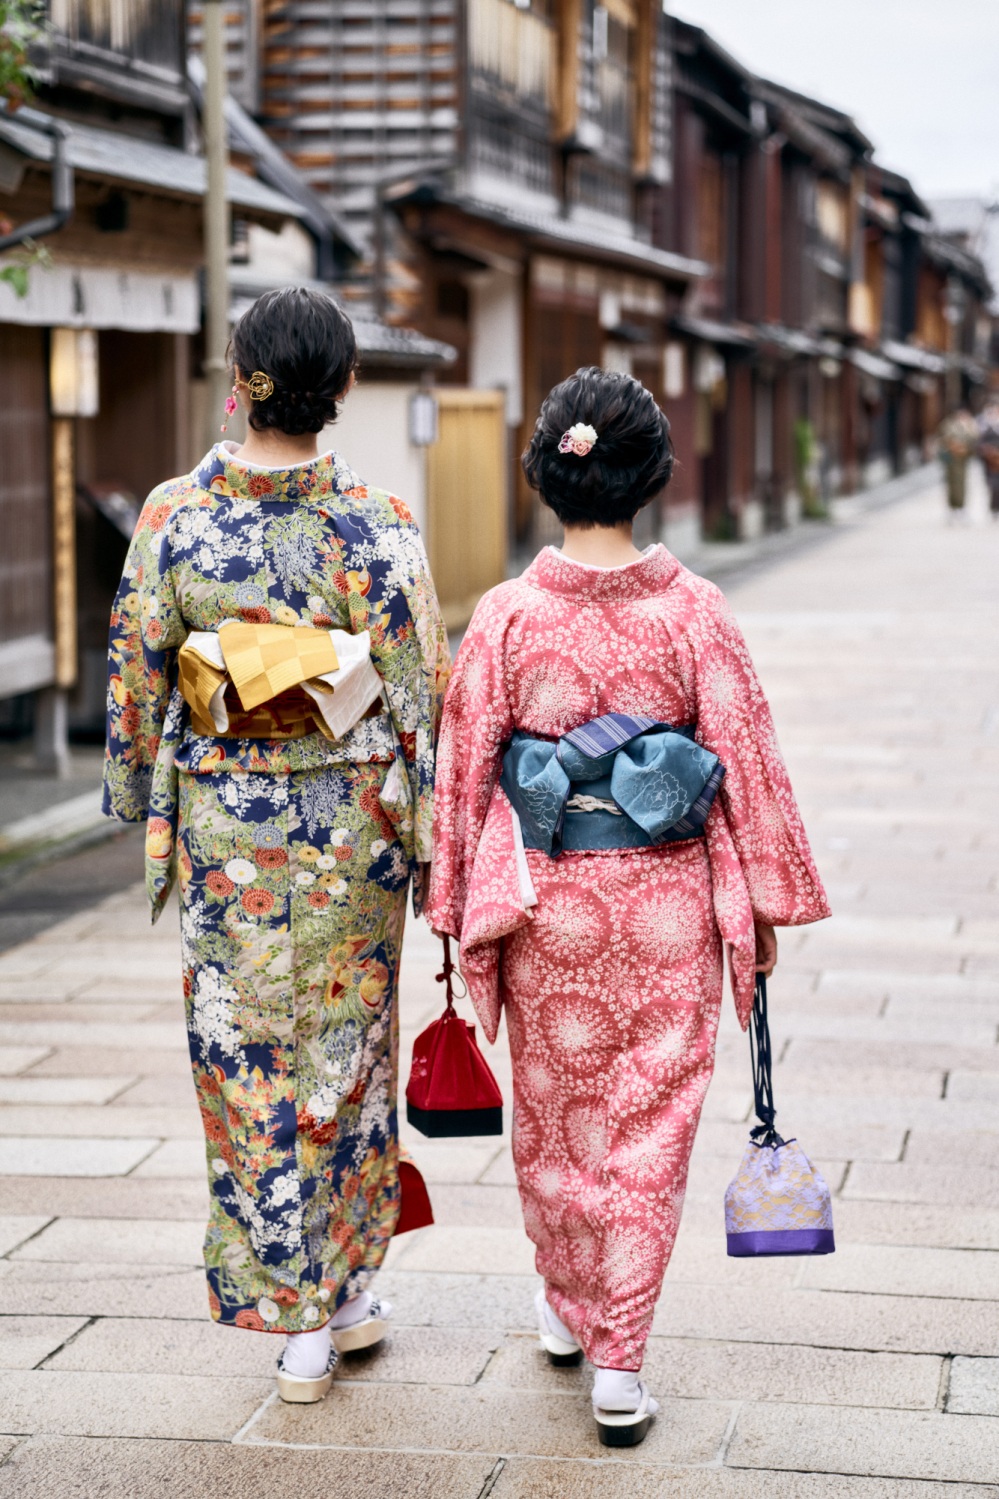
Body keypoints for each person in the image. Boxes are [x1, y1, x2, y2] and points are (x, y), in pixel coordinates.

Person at [426, 367, 829, 1446]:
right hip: (664, 909)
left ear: (548, 474)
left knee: (555, 1121)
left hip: (545, 907)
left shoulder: (505, 617)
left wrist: (451, 892)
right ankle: (619, 1356)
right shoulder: (695, 611)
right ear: (650, 476)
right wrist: (764, 906)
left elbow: (465, 771)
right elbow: (744, 761)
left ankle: (572, 1306)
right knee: (647, 1131)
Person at [103, 287, 450, 1404]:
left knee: (246, 1059)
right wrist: (437, 828)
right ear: (343, 389)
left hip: (225, 830)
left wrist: (133, 786)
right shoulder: (377, 522)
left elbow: (137, 677)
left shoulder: (173, 517)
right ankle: (340, 1294)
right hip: (350, 832)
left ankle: (287, 1308)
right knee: (344, 1057)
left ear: (238, 379)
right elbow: (417, 695)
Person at [937, 405, 979, 517]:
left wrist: (968, 427)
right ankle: (953, 507)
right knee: (952, 483)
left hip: (963, 457)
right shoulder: (948, 424)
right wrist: (953, 446)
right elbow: (943, 439)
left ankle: (961, 506)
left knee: (962, 482)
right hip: (951, 458)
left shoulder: (969, 425)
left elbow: (974, 438)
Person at [977, 396, 999, 519]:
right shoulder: (984, 426)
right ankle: (993, 508)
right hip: (989, 461)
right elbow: (979, 444)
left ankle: (996, 507)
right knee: (993, 485)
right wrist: (988, 451)